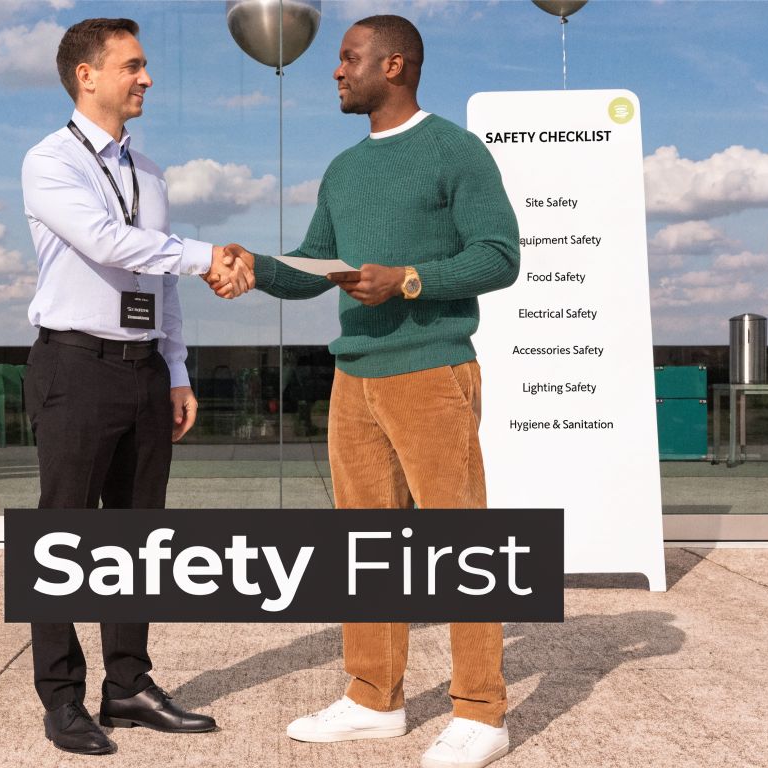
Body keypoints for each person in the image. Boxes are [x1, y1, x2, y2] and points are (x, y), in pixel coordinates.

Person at [213, 14, 521, 768]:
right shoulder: (345, 170)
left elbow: (500, 255)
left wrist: (412, 278)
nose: (336, 70)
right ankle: (373, 699)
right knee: (366, 547)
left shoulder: (455, 151)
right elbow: (317, 264)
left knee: (461, 546)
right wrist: (252, 261)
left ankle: (483, 713)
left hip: (432, 372)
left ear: (396, 65)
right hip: (355, 379)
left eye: (349, 58)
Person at [20, 17, 250, 756]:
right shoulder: (49, 162)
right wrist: (211, 253)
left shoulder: (148, 173)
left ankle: (127, 687)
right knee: (63, 537)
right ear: (88, 75)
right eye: (133, 65)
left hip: (143, 370)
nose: (147, 78)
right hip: (74, 367)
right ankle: (61, 699)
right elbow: (109, 242)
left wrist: (177, 370)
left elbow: (155, 276)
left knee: (137, 536)